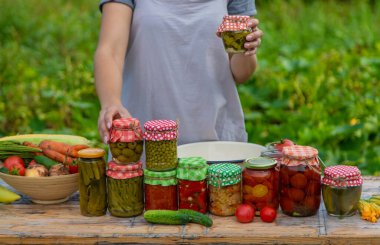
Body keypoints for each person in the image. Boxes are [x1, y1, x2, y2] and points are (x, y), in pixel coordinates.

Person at [95, 0, 263, 145]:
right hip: (146, 139)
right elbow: (110, 50)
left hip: (217, 138)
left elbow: (241, 73)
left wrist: (247, 48)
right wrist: (111, 102)